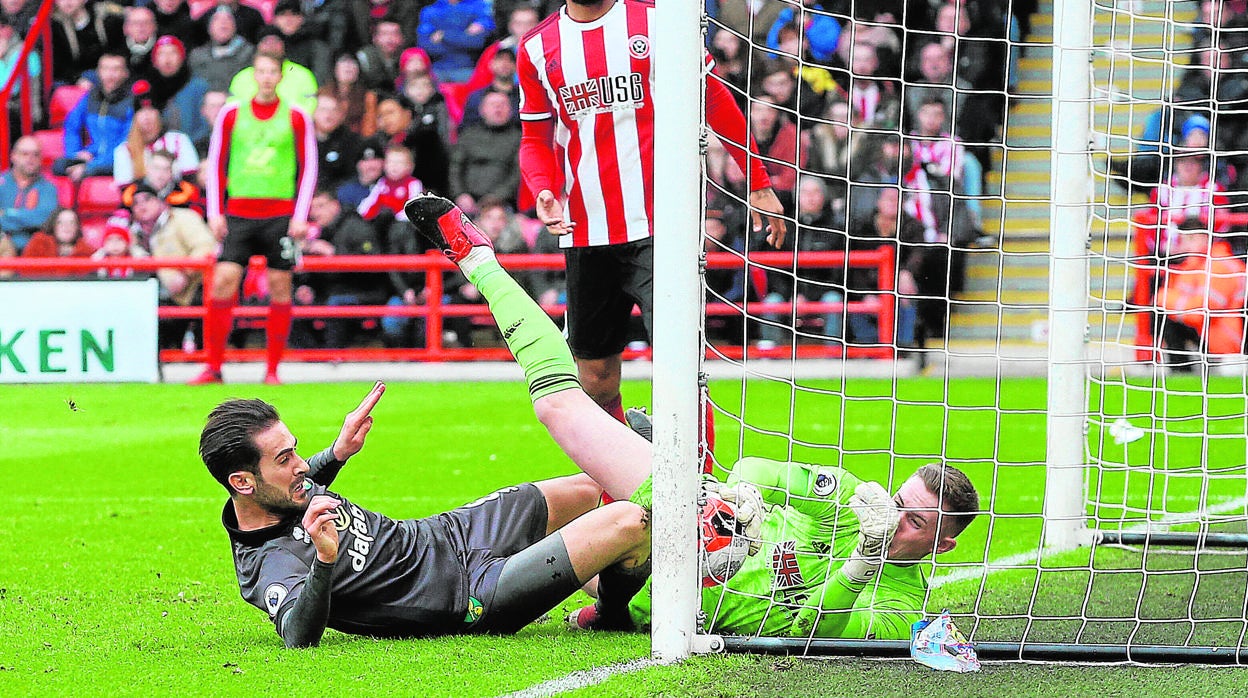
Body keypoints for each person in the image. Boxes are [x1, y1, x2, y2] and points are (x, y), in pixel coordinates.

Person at [202, 193, 684, 648]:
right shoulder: (267, 564)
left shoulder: (285, 489)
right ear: (242, 481)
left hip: (451, 533)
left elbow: (307, 474)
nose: (302, 465)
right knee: (629, 518)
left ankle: (612, 583)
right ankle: (614, 611)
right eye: (285, 458)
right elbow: (296, 634)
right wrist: (325, 563)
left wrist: (339, 452)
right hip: (467, 596)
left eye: (295, 450)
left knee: (593, 485)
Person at [517, 0, 787, 427]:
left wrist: (756, 179)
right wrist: (544, 188)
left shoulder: (657, 23)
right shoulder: (536, 47)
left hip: (662, 227)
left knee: (678, 367)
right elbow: (535, 136)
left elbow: (713, 97)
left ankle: (699, 482)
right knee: (595, 377)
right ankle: (614, 484)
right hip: (586, 230)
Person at [610, 454, 980, 640]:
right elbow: (761, 469)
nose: (892, 518)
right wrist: (747, 495)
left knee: (612, 523)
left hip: (663, 600)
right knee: (592, 488)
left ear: (943, 546)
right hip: (692, 532)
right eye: (897, 502)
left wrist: (864, 560)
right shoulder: (853, 501)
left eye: (914, 522)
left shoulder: (901, 609)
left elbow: (814, 630)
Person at [191, 50, 317, 386]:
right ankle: (213, 367)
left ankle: (273, 370)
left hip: (279, 214)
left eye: (271, 72)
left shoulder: (297, 116)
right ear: (252, 75)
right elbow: (217, 162)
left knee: (280, 287)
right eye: (260, 71)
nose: (265, 77)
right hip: (240, 214)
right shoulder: (232, 113)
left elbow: (309, 167)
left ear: (279, 76)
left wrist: (300, 214)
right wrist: (216, 211)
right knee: (222, 282)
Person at [127, 182, 217, 348]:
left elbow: (206, 247)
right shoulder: (133, 233)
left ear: (160, 201)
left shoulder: (183, 218)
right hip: (157, 295)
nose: (141, 206)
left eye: (147, 199)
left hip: (193, 288)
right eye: (135, 203)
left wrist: (185, 273)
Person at [54, 53, 132, 183]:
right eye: (105, 69)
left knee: (92, 170)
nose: (110, 74)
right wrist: (76, 154)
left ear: (125, 73)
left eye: (116, 69)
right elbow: (72, 126)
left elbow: (126, 142)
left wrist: (92, 165)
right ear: (98, 72)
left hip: (116, 159)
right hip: (91, 155)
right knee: (58, 165)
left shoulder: (132, 102)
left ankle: (85, 170)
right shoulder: (90, 97)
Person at [0, 135, 60, 256]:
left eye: (35, 154)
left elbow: (44, 219)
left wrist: (6, 214)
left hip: (35, 251)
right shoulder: (1, 183)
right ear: (13, 156)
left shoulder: (49, 188)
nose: (30, 159)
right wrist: (27, 222)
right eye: (25, 154)